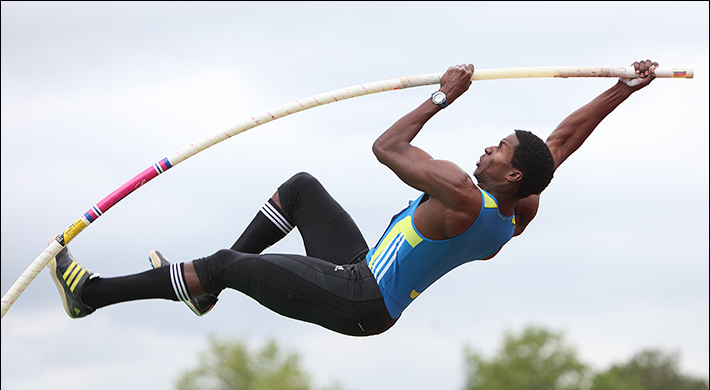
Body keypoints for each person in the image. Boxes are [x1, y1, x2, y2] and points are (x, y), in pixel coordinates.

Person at [49, 59, 658, 336]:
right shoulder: (520, 208)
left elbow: (387, 147)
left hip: (360, 300)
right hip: (360, 269)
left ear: (513, 175)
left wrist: (444, 99)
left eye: (496, 151)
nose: (485, 152)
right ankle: (204, 291)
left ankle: (91, 296)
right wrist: (622, 88)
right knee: (300, 191)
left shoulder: (462, 194)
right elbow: (562, 140)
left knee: (229, 266)